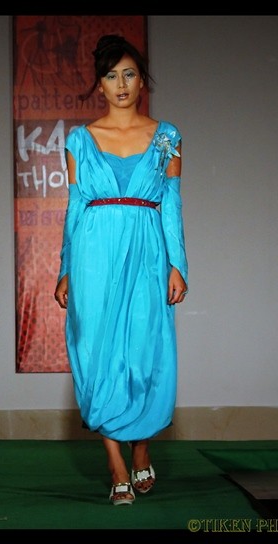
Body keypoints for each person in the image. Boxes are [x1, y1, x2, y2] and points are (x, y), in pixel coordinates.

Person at [54, 34, 187, 506]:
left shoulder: (167, 136)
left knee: (145, 352)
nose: (122, 84)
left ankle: (141, 447)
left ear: (142, 80)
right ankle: (115, 466)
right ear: (100, 84)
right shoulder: (79, 139)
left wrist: (177, 264)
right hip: (93, 255)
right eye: (111, 76)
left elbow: (172, 204)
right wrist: (66, 268)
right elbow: (75, 207)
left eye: (129, 74)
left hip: (148, 252)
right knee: (97, 353)